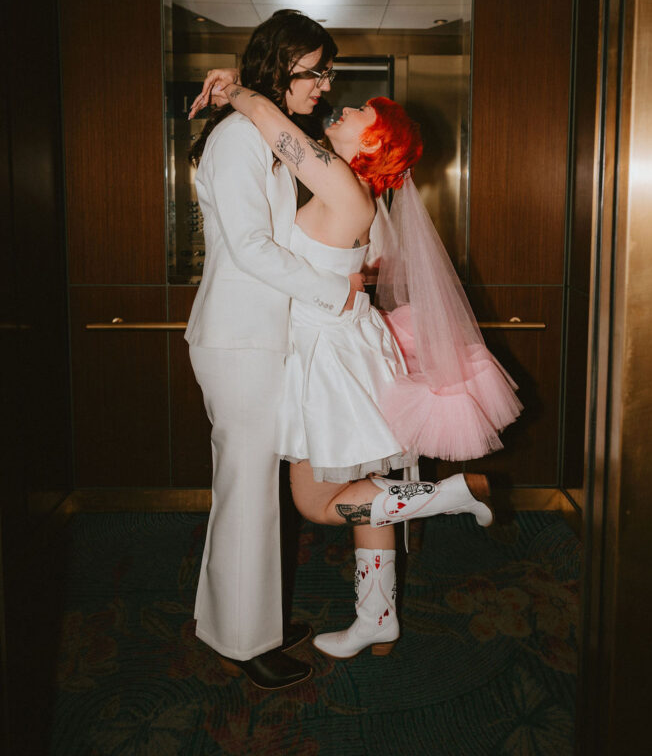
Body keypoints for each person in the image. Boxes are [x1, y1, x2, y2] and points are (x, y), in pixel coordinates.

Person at [208, 69, 521, 660]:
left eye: (361, 116)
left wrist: (237, 91)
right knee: (367, 488)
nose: (345, 111)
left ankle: (447, 496)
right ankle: (376, 617)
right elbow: (359, 260)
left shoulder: (343, 184)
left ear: (372, 145)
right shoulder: (357, 193)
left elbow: (276, 130)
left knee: (313, 502)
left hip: (327, 358)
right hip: (348, 346)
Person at [185, 11, 365, 690]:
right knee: (247, 491)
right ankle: (240, 640)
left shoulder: (258, 133)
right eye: (313, 69)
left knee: (247, 488)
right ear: (279, 65)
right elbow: (251, 249)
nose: (323, 83)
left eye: (327, 70)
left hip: (258, 336)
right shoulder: (236, 140)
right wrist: (333, 293)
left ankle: (236, 619)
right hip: (237, 338)